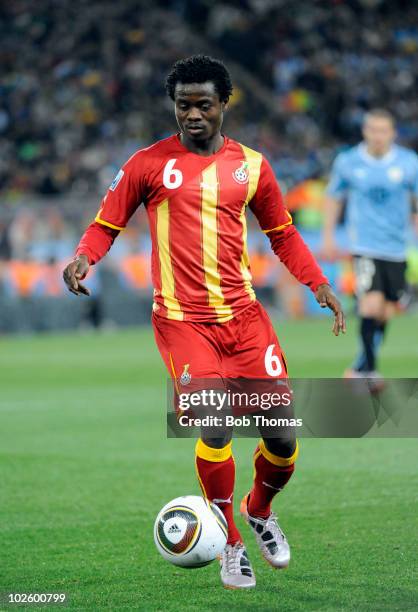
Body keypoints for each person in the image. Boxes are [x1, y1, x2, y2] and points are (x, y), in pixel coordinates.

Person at [63, 55, 345, 589]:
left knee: (281, 436)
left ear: (223, 105)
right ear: (174, 106)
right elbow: (106, 222)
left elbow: (282, 233)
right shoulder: (148, 163)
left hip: (244, 319)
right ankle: (230, 542)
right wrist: (84, 256)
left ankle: (259, 508)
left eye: (203, 105)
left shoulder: (253, 166)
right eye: (183, 105)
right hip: (181, 323)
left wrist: (319, 283)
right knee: (213, 422)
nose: (192, 115)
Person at [322, 109, 418, 378]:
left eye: (383, 130)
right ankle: (371, 372)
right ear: (365, 131)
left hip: (397, 247)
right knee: (370, 306)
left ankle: (359, 366)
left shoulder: (409, 162)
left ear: (393, 133)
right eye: (373, 130)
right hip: (364, 246)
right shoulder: (349, 162)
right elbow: (333, 197)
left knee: (386, 312)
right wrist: (329, 236)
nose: (378, 136)